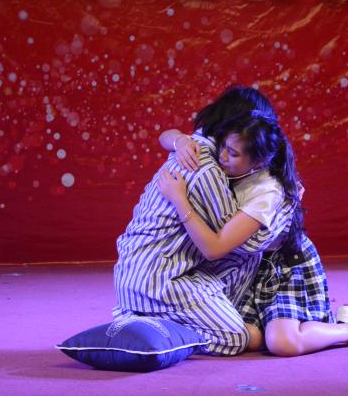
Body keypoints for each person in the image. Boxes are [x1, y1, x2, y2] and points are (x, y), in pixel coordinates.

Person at [159, 111, 348, 357]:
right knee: (245, 338)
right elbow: (165, 136)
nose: (222, 156)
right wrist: (181, 141)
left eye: (233, 154)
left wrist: (179, 200)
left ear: (258, 162)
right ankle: (280, 324)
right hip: (246, 268)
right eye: (223, 147)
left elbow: (213, 248)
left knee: (283, 344)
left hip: (281, 267)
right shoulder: (233, 148)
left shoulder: (267, 191)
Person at [112, 87, 292, 356]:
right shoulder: (205, 168)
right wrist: (285, 209)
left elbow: (167, 136)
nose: (226, 156)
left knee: (237, 263)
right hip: (157, 279)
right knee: (240, 337)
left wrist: (178, 139)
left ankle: (148, 319)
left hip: (143, 271)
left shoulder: (195, 145)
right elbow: (240, 244)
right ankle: (151, 324)